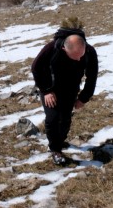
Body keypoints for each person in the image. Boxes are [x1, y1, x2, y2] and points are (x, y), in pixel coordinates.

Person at [31, 29, 98, 165]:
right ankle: (55, 149)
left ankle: (60, 141)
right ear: (64, 49)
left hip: (71, 89)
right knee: (52, 118)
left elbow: (92, 77)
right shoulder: (51, 49)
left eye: (81, 55)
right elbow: (36, 68)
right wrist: (46, 91)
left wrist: (83, 98)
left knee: (65, 118)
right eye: (75, 56)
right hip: (51, 88)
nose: (79, 59)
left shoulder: (89, 52)